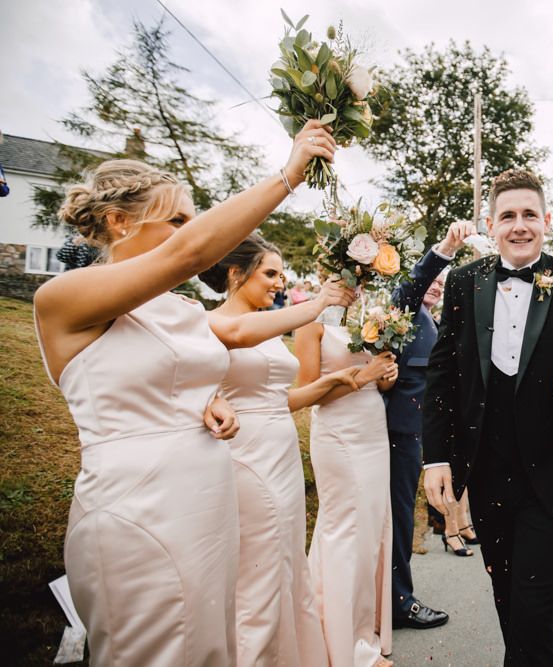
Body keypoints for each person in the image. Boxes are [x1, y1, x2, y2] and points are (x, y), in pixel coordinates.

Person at [32, 120, 335, 665]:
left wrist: (209, 402)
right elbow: (189, 257)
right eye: (176, 220)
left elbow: (187, 369)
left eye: (191, 222)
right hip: (138, 506)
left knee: (212, 644)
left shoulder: (182, 310)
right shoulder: (63, 297)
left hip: (209, 504)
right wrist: (288, 176)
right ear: (117, 221)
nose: (191, 234)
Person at [422, 169, 553, 666]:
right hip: (487, 476)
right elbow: (443, 374)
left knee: (533, 613)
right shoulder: (466, 282)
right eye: (507, 215)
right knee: (509, 603)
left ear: (546, 220)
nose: (519, 225)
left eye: (529, 214)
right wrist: (436, 459)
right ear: (491, 225)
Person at [199, 234, 360, 665]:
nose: (279, 282)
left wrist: (327, 384)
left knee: (288, 569)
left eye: (280, 274)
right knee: (260, 576)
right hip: (245, 458)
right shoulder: (212, 326)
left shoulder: (266, 326)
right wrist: (318, 303)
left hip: (283, 456)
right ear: (236, 273)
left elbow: (277, 400)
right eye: (270, 273)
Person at [295, 302, 400, 667]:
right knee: (344, 532)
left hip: (372, 429)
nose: (356, 285)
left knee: (370, 533)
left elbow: (380, 380)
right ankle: (340, 645)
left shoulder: (368, 318)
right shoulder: (310, 323)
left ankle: (362, 633)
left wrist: (386, 374)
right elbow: (306, 392)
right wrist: (364, 375)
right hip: (339, 434)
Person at [385, 220, 475, 629]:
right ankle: (399, 601)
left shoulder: (430, 323)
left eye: (443, 280)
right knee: (401, 517)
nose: (436, 285)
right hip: (399, 431)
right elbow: (412, 285)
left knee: (405, 517)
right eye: (432, 279)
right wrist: (445, 250)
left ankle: (391, 595)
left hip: (420, 434)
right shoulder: (403, 309)